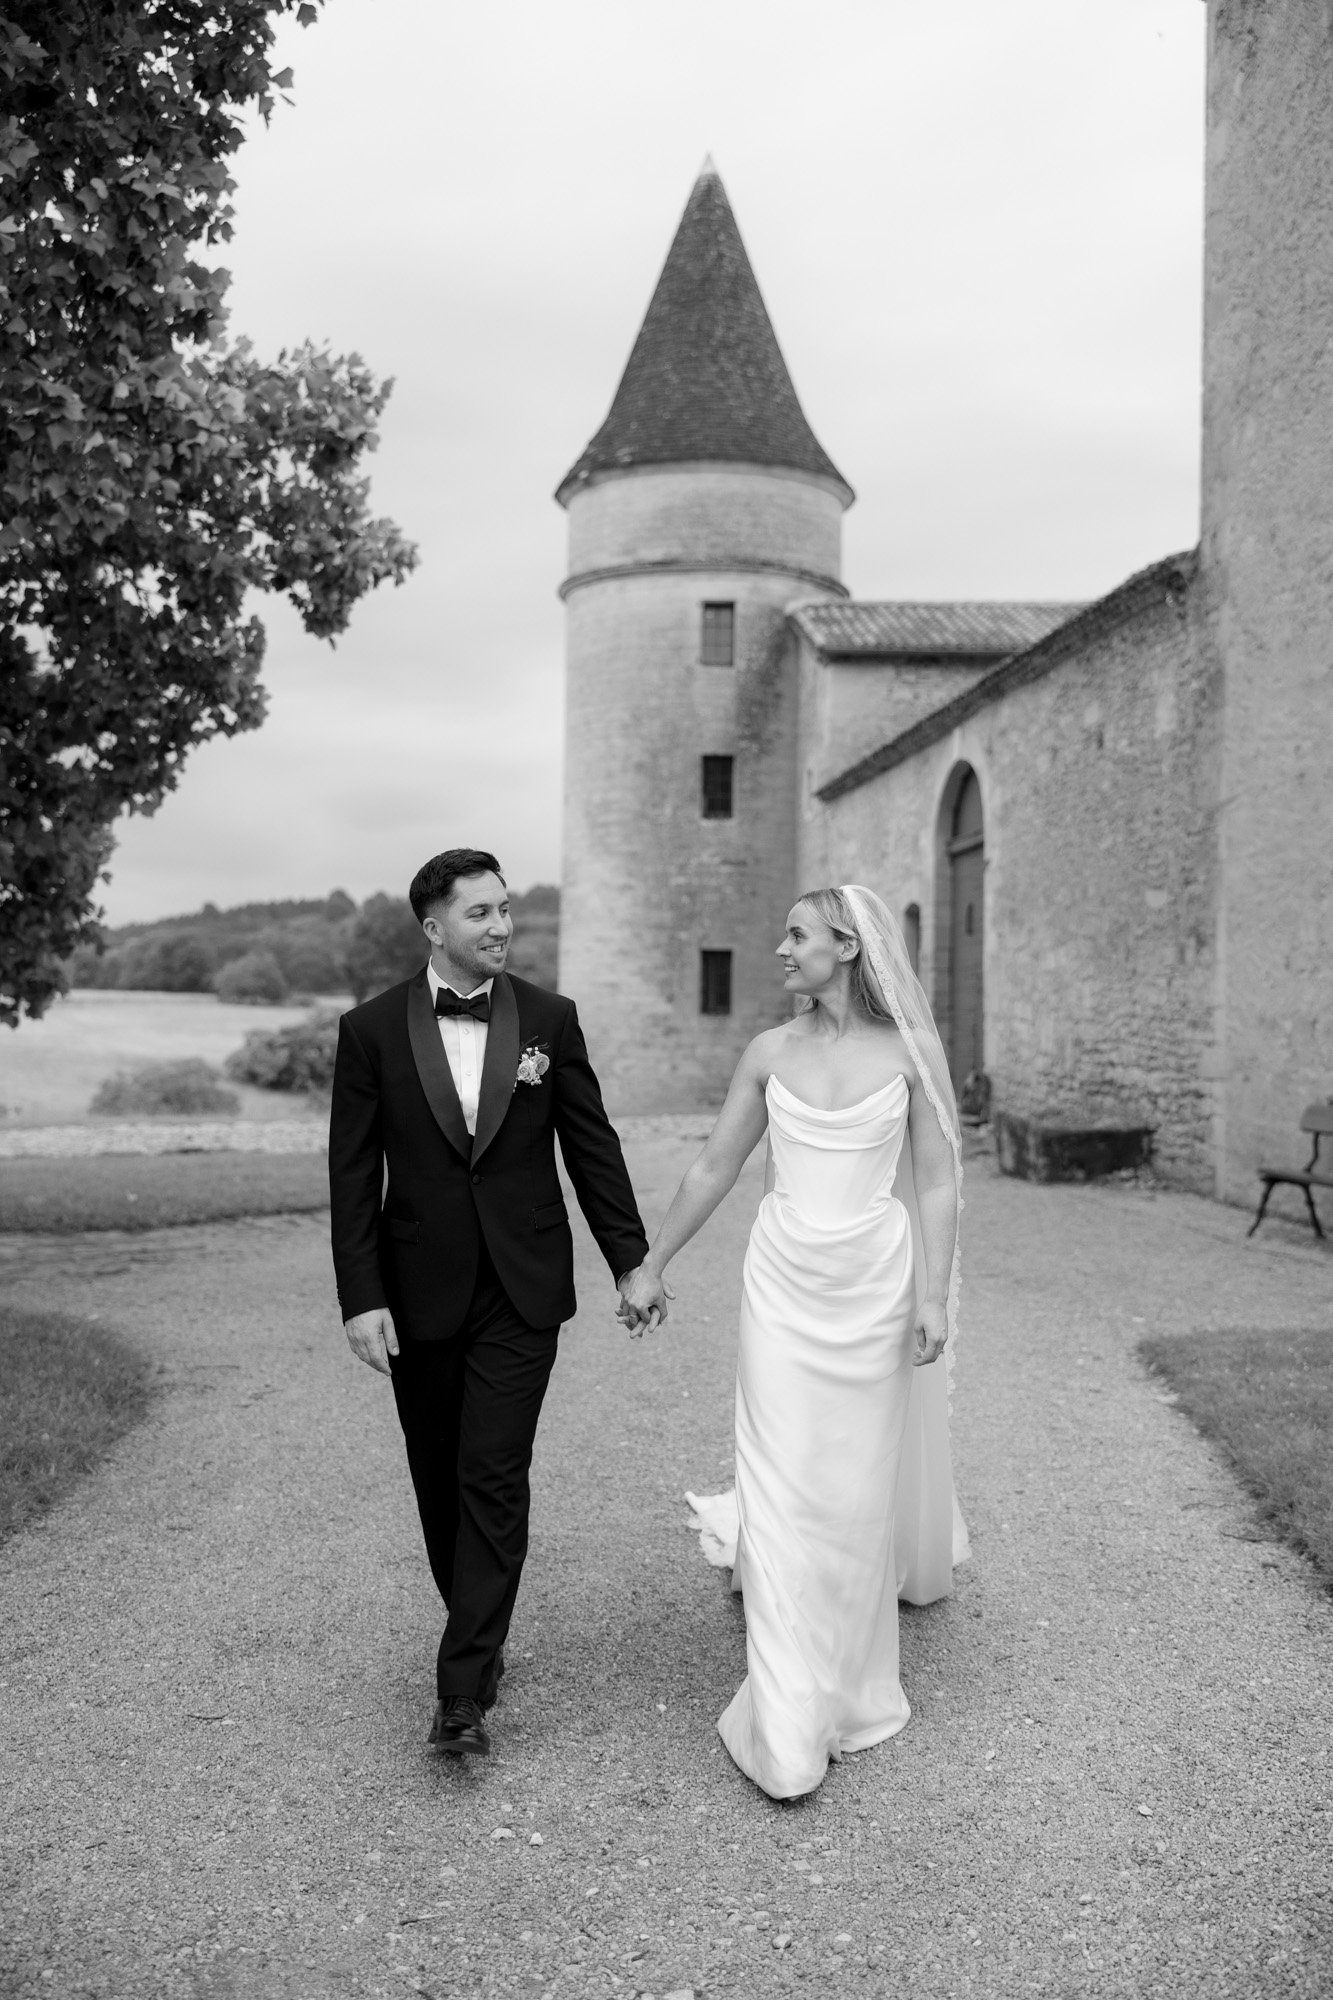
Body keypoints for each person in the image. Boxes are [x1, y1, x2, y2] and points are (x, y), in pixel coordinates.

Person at [620, 884, 969, 1799]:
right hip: (780, 1284)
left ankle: (850, 1682)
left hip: (873, 1285)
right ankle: (784, 1717)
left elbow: (934, 1181)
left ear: (848, 947)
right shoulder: (767, 1052)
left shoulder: (912, 1052)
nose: (778, 948)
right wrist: (651, 1263)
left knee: (851, 1485)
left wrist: (933, 1295)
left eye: (797, 934)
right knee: (774, 1474)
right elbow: (713, 1165)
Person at [329, 848, 649, 1757]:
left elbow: (592, 1147)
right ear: (434, 928)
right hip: (417, 1290)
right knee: (437, 1479)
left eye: (506, 910)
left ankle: (461, 1691)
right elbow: (352, 1175)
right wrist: (360, 1296)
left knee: (492, 1475)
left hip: (522, 1287)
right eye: (480, 914)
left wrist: (629, 1260)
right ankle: (480, 1634)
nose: (502, 926)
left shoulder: (550, 1019)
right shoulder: (371, 1031)